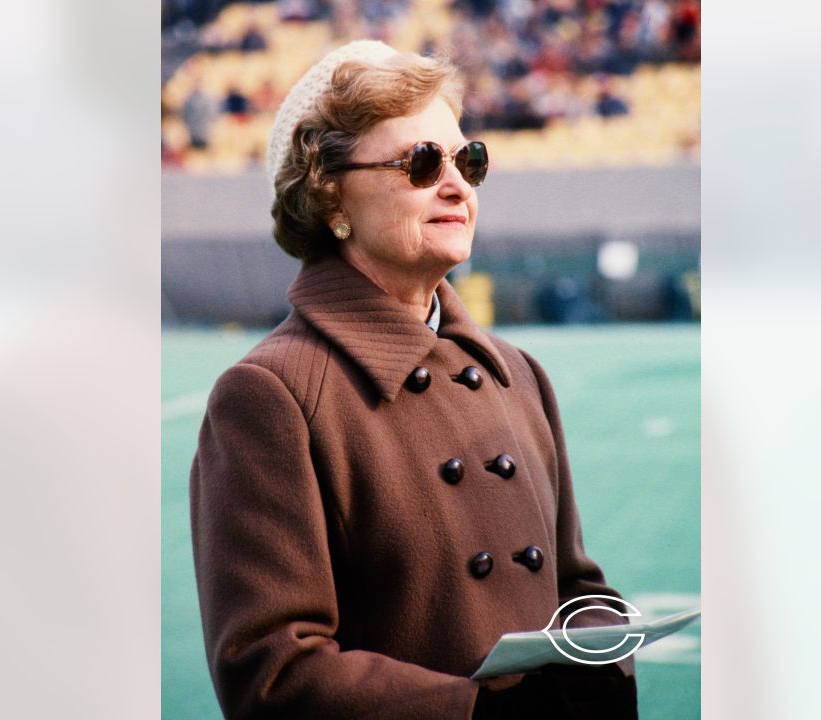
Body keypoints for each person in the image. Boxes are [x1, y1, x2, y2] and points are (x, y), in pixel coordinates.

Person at [190, 39, 637, 719]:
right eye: (421, 163)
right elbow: (272, 673)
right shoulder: (270, 396)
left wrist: (604, 660)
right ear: (329, 195)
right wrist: (475, 713)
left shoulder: (518, 374)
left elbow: (577, 585)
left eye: (470, 159)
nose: (457, 184)